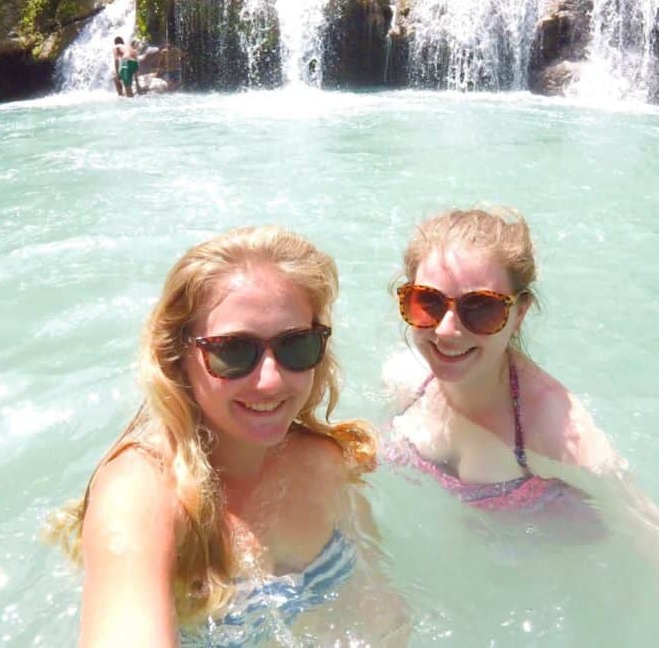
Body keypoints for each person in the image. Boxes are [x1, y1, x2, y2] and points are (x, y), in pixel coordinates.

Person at [47, 226, 408, 647]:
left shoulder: (326, 462)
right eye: (234, 350)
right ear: (177, 356)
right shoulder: (140, 494)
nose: (271, 380)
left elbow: (383, 619)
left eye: (296, 346)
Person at [384, 207, 659, 645]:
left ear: (519, 314)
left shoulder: (556, 432)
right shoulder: (407, 379)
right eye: (428, 303)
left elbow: (657, 529)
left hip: (551, 565)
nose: (446, 331)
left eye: (480, 310)